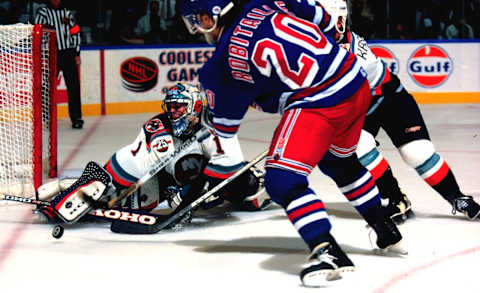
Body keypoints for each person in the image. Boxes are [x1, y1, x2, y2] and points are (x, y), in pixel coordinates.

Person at [180, 0, 404, 287]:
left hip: (319, 101)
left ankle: (327, 250)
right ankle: (384, 226)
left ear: (213, 15)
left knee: (281, 180)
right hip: (353, 79)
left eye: (197, 20)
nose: (197, 28)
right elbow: (325, 19)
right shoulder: (264, 2)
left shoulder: (220, 65)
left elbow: (225, 129)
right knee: (340, 163)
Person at [310, 0, 480, 223]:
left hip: (388, 97)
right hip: (360, 105)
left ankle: (457, 197)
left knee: (417, 152)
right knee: (360, 147)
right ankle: (396, 198)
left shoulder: (349, 50)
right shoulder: (313, 48)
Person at [33, 83, 271, 225]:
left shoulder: (212, 125)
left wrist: (209, 183)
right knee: (120, 203)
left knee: (247, 186)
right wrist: (182, 192)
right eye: (170, 106)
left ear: (195, 107)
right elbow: (171, 164)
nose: (173, 111)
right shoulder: (159, 127)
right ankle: (68, 188)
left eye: (179, 106)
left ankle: (259, 182)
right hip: (140, 173)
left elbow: (222, 158)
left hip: (185, 179)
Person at [34, 0, 83, 129]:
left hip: (68, 53)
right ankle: (46, 118)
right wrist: (42, 54)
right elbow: (38, 33)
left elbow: (75, 31)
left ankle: (77, 118)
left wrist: (77, 52)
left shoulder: (67, 12)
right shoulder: (43, 13)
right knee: (48, 87)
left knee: (74, 87)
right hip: (51, 53)